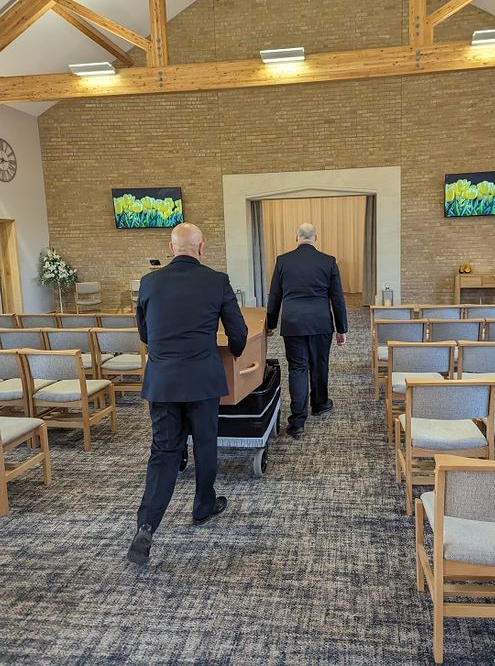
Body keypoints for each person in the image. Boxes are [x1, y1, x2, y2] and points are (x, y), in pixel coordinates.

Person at [127, 222, 248, 564]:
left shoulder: (149, 282)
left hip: (163, 382)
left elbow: (145, 333)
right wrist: (237, 350)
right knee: (205, 443)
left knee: (164, 451)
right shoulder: (216, 280)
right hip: (202, 380)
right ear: (202, 247)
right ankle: (203, 506)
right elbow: (236, 329)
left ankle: (146, 526)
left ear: (170, 247)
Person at [266, 222, 347, 439]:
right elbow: (337, 298)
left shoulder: (283, 261)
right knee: (319, 364)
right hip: (321, 322)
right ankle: (320, 404)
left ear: (296, 237)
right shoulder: (328, 261)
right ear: (315, 238)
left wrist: (270, 324)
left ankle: (297, 421)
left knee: (298, 368)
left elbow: (274, 296)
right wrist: (342, 328)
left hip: (293, 324)